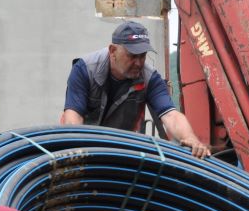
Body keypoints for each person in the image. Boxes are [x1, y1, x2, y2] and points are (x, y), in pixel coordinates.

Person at [60, 20, 212, 158]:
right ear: (113, 51)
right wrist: (77, 151)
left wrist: (190, 138)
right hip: (85, 146)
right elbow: (73, 118)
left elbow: (171, 115)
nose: (139, 63)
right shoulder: (85, 69)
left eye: (143, 56)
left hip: (121, 150)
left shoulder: (150, 78)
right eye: (132, 56)